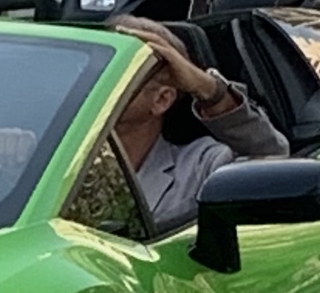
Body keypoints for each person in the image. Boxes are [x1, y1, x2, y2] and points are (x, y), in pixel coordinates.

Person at [111, 17, 286, 229]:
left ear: (162, 99)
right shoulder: (62, 152)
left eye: (118, 73)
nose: (98, 82)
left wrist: (209, 90)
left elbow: (271, 159)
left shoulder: (198, 166)